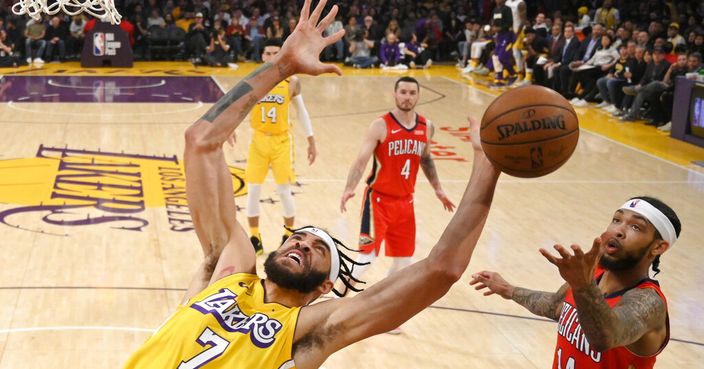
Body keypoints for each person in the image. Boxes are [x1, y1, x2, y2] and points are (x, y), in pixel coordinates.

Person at [123, 1, 502, 367]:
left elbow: (442, 269)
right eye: (299, 238)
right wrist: (282, 65)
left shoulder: (311, 332)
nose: (303, 243)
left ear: (324, 286)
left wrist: (487, 165)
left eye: (319, 248)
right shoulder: (230, 269)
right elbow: (201, 142)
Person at [471, 196, 680, 369]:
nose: (618, 230)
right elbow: (555, 306)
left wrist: (582, 284)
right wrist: (508, 289)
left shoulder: (649, 302)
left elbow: (605, 337)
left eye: (635, 226)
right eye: (617, 220)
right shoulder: (593, 275)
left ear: (658, 247)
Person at [338, 76, 456, 312]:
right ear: (395, 94)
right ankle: (334, 304)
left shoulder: (426, 126)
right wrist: (349, 188)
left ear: (418, 96)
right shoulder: (380, 125)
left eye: (412, 93)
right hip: (377, 201)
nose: (407, 97)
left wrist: (438, 189)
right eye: (403, 92)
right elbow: (361, 160)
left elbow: (426, 159)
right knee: (365, 259)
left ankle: (383, 308)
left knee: (403, 263)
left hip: (405, 204)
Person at [244, 38, 317, 255]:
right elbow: (239, 107)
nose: (272, 56)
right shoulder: (253, 80)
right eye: (268, 52)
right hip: (258, 140)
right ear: (262, 56)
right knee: (253, 190)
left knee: (284, 191)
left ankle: (289, 233)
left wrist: (311, 139)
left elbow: (302, 112)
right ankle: (254, 236)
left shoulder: (292, 82)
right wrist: (227, 132)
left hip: (281, 141)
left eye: (277, 52)